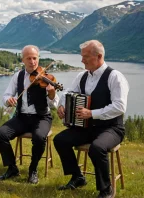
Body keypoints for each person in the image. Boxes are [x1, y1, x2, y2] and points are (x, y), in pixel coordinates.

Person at [54, 40, 129, 198]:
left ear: (99, 56)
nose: (82, 60)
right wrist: (61, 105)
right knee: (60, 140)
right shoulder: (82, 76)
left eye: (86, 57)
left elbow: (119, 106)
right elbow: (67, 92)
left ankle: (106, 189)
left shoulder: (115, 77)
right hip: (88, 127)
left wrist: (92, 113)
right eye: (82, 56)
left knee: (97, 148)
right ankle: (77, 177)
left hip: (112, 128)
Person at [0, 45, 59, 184]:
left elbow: (54, 104)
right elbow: (6, 95)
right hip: (22, 117)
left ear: (38, 59)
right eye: (28, 58)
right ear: (23, 60)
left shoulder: (46, 78)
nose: (32, 61)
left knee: (39, 138)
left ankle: (33, 170)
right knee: (0, 134)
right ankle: (12, 168)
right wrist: (8, 100)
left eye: (34, 58)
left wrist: (52, 94)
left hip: (42, 117)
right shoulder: (18, 76)